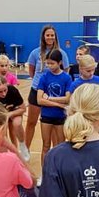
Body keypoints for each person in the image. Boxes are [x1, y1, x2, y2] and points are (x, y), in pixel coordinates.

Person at [24, 26, 68, 155]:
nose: (50, 37)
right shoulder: (35, 53)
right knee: (31, 122)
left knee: (54, 126)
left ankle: (55, 153)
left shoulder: (62, 53)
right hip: (37, 91)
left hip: (54, 93)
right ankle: (25, 150)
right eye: (47, 35)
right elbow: (32, 72)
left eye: (52, 35)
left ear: (55, 37)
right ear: (43, 37)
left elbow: (65, 72)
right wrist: (40, 84)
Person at [35, 49, 72, 163]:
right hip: (46, 116)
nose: (49, 66)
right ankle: (45, 173)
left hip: (60, 117)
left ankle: (59, 172)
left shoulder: (66, 78)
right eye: (48, 63)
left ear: (60, 62)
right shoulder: (44, 77)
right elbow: (39, 100)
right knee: (46, 146)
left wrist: (49, 98)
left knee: (60, 147)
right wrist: (59, 105)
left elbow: (67, 99)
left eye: (52, 63)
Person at [0, 74, 29, 159]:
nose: (4, 94)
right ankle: (5, 154)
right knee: (2, 132)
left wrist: (9, 114)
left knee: (17, 124)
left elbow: (23, 109)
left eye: (5, 90)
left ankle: (22, 145)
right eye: (0, 92)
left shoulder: (13, 90)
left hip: (14, 111)